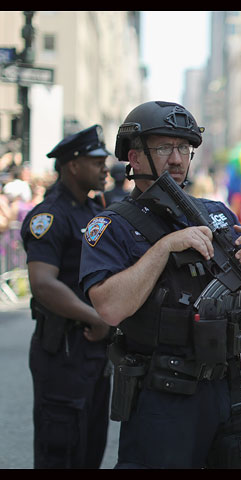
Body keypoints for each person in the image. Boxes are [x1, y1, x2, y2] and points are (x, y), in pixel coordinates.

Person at [78, 101, 241, 469]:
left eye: (184, 149)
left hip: (229, 389)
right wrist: (164, 248)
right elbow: (109, 308)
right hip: (164, 396)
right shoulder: (112, 225)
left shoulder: (218, 214)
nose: (176, 159)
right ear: (135, 158)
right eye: (163, 148)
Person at [20, 124, 113, 468]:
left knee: (90, 448)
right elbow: (43, 284)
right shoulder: (49, 216)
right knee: (60, 450)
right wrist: (95, 317)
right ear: (73, 165)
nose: (105, 168)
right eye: (96, 161)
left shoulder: (92, 212)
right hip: (62, 350)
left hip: (93, 352)